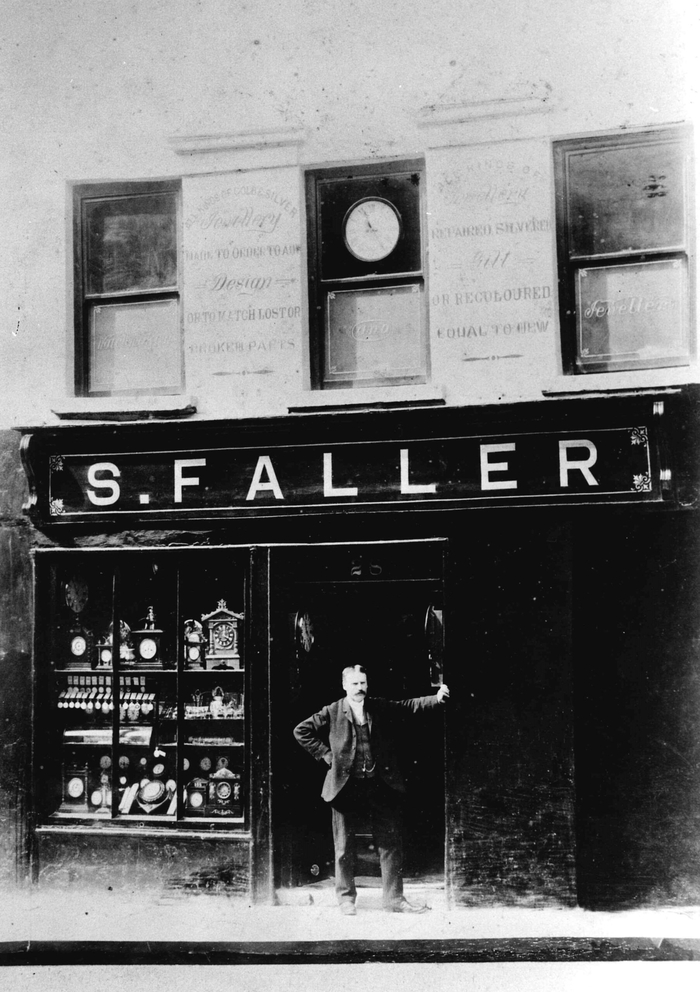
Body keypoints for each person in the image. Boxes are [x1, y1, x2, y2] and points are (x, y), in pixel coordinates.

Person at [293, 664, 450, 915]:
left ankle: (394, 899)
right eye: (355, 684)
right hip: (346, 787)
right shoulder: (332, 711)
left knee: (390, 843)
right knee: (344, 846)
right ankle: (346, 899)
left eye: (363, 683)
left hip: (380, 784)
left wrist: (436, 698)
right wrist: (325, 755)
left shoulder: (377, 706)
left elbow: (407, 706)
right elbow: (301, 730)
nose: (360, 688)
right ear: (345, 685)